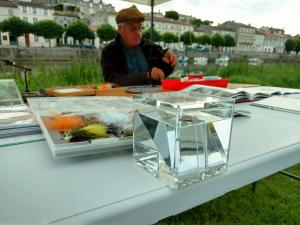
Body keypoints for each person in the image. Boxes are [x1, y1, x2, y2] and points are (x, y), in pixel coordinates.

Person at [101, 7, 177, 86]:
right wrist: (147, 76)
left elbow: (164, 70)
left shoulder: (149, 46)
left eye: (140, 28)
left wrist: (170, 61)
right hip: (124, 97)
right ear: (120, 30)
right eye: (132, 28)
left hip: (152, 96)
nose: (138, 33)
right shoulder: (110, 51)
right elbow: (111, 79)